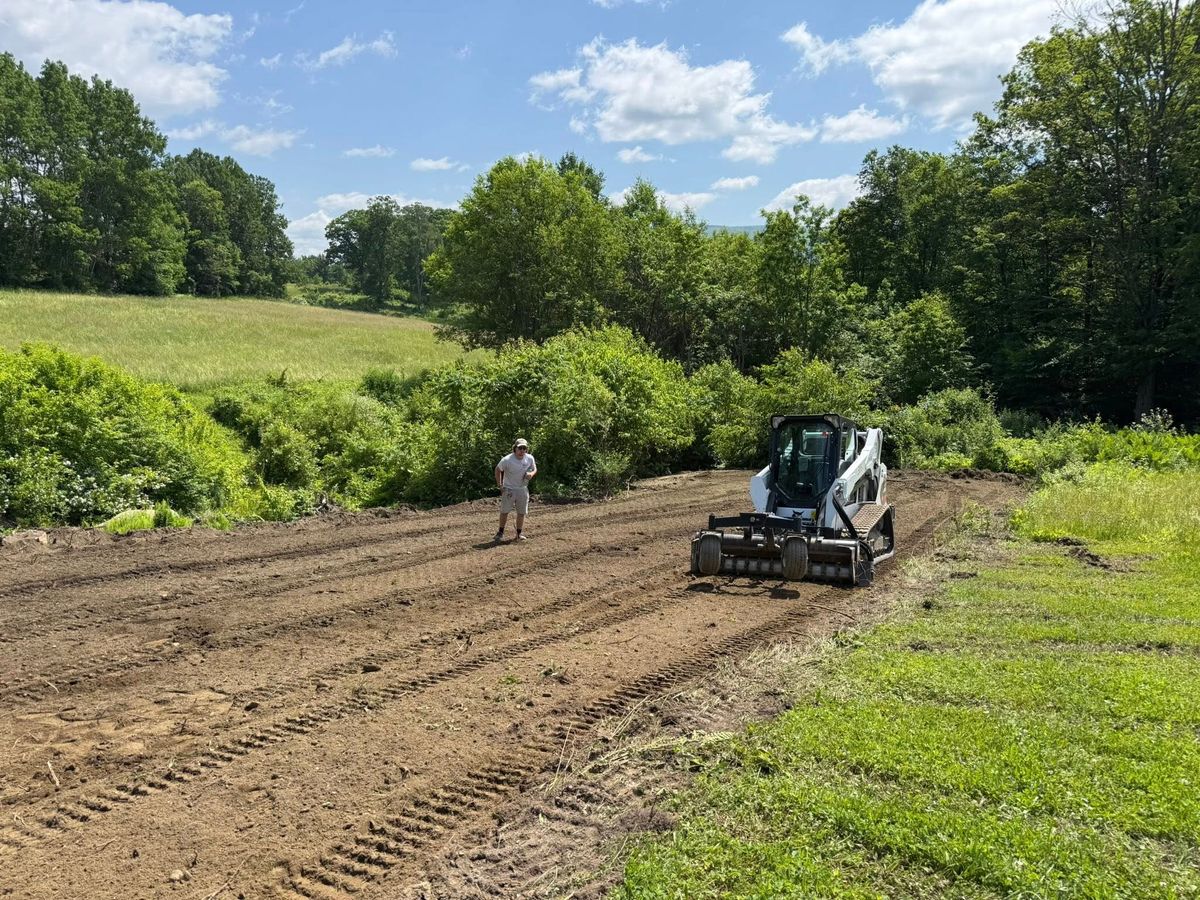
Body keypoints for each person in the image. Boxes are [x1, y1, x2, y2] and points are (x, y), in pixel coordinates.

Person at [494, 438, 537, 541]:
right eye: (520, 448)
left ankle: (519, 534)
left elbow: (534, 468)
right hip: (509, 489)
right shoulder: (507, 460)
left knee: (521, 513)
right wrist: (500, 485)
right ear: (515, 448)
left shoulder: (529, 458)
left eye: (524, 448)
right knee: (504, 511)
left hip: (523, 489)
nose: (522, 450)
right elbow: (498, 469)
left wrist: (531, 474)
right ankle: (500, 532)